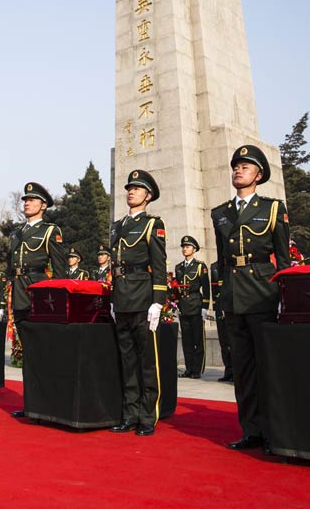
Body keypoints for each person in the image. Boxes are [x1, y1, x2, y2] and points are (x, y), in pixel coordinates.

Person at [211, 145, 290, 452]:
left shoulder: (272, 209)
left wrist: (284, 296)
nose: (238, 170)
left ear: (259, 175)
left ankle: (273, 432)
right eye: (236, 166)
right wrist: (221, 296)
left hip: (262, 292)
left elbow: (283, 259)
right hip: (234, 294)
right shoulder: (220, 213)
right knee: (242, 369)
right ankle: (251, 430)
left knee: (267, 367)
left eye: (245, 167)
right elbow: (222, 260)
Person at [108, 170, 167, 437]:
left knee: (147, 362)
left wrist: (158, 301)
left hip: (143, 298)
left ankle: (147, 416)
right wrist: (113, 299)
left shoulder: (153, 224)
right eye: (129, 188)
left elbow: (159, 265)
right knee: (127, 361)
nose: (131, 191)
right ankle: (129, 414)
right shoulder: (117, 226)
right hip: (121, 297)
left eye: (138, 188)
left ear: (148, 196)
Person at [8, 182, 67, 418]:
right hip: (19, 292)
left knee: (44, 350)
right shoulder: (17, 233)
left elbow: (60, 269)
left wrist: (59, 300)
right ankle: (31, 403)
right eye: (25, 200)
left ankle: (49, 402)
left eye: (32, 200)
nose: (27, 203)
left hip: (40, 293)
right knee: (28, 351)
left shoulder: (50, 231)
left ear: (43, 205)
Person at [175, 236, 210, 379]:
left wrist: (205, 307)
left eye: (188, 247)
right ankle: (189, 368)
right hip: (183, 307)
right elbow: (177, 289)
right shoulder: (178, 267)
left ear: (194, 249)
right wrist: (176, 304)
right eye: (183, 247)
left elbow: (206, 288)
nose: (185, 249)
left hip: (196, 305)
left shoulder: (200, 266)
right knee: (187, 340)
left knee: (198, 339)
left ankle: (197, 369)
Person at [210, 260, 233, 382]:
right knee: (223, 341)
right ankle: (228, 370)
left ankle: (235, 371)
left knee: (232, 341)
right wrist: (215, 308)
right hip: (220, 306)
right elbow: (214, 290)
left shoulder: (232, 265)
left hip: (231, 305)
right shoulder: (214, 267)